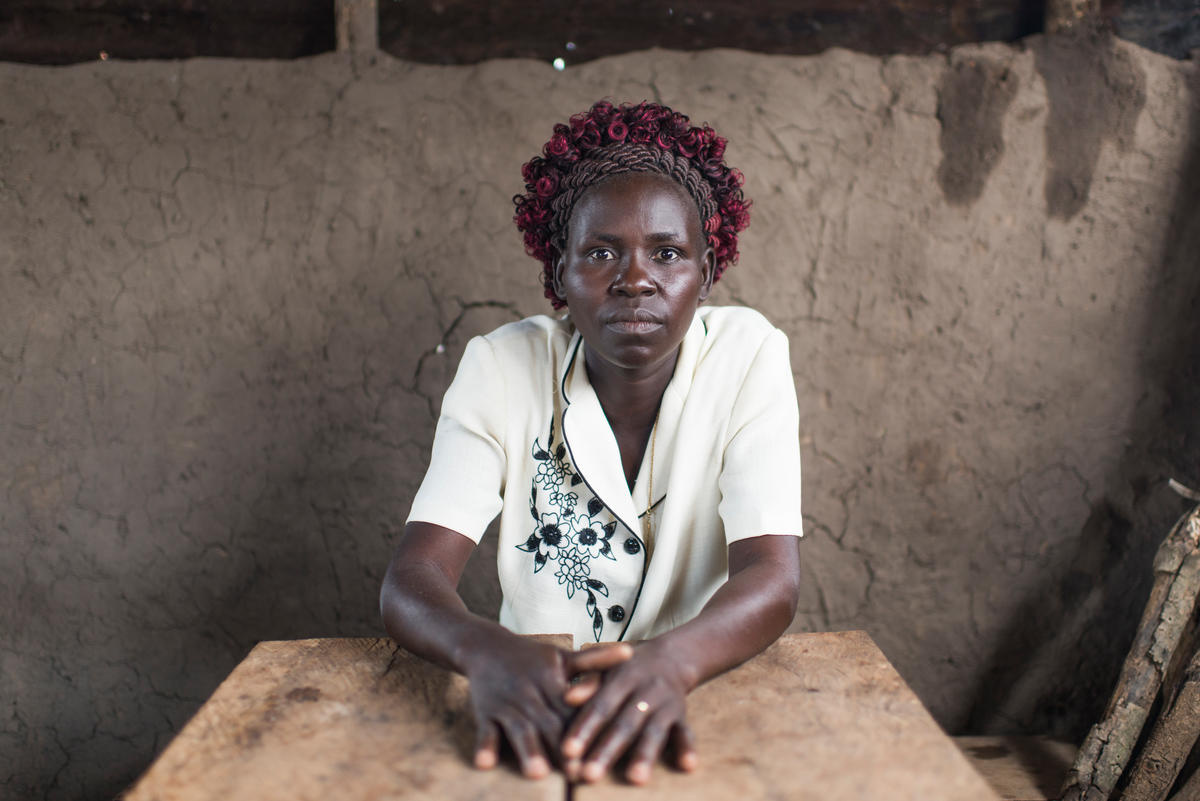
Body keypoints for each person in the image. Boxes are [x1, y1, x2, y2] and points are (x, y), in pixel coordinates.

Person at [380, 100, 803, 785]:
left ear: (706, 275)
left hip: (696, 689)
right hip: (535, 700)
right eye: (602, 252)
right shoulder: (501, 368)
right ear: (559, 274)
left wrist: (673, 662)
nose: (635, 279)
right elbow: (413, 576)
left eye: (667, 253)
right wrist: (486, 652)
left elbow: (773, 576)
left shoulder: (749, 356)